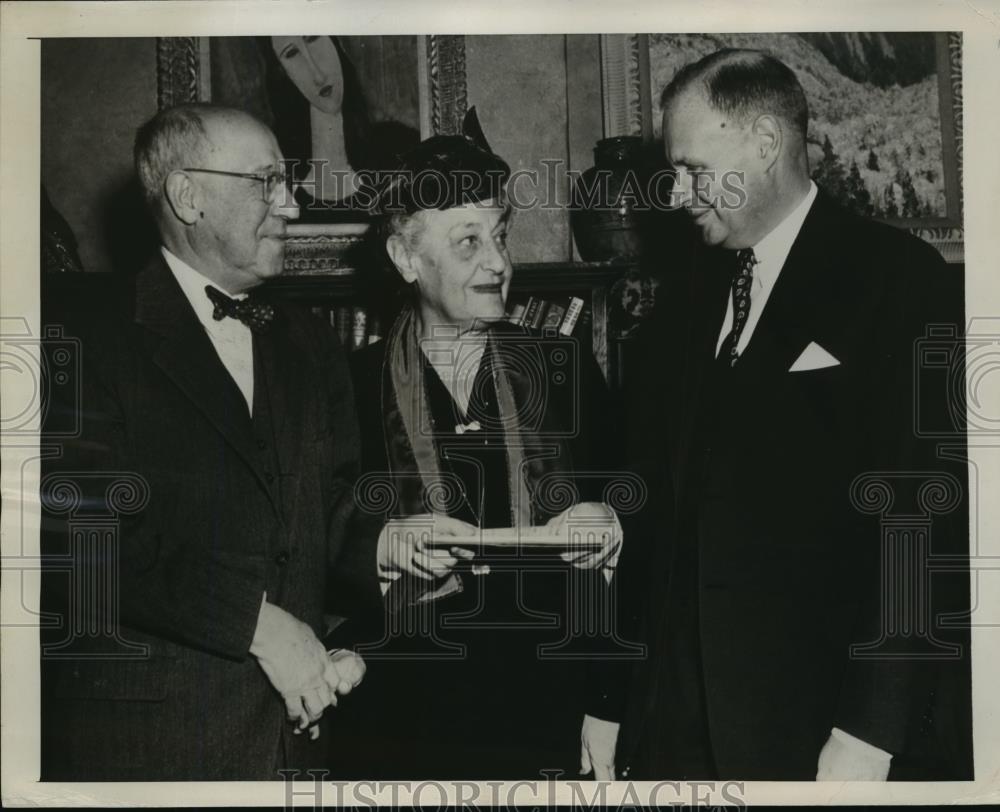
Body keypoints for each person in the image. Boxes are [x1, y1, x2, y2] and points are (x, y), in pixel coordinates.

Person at [614, 49, 971, 780]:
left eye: (693, 170)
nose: (679, 194)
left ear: (766, 145)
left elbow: (923, 520)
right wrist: (615, 701)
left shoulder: (899, 281)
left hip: (822, 729)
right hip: (681, 730)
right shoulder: (686, 299)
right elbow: (661, 525)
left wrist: (872, 731)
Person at [40, 104, 376, 780]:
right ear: (187, 195)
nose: (291, 204)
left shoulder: (310, 343)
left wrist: (397, 549)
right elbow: (74, 539)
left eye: (290, 181)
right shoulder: (78, 337)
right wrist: (260, 626)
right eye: (267, 181)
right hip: (150, 752)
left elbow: (333, 512)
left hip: (295, 745)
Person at [325, 110, 630, 780]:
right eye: (468, 243)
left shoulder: (562, 367)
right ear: (406, 258)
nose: (498, 263)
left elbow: (645, 521)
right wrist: (382, 542)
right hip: (398, 725)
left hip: (555, 711)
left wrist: (612, 523)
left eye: (500, 236)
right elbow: (310, 542)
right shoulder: (345, 386)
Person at [263, 35, 419, 221]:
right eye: (292, 53)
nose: (318, 74)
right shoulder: (276, 183)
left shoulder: (401, 148)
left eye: (313, 39)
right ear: (280, 73)